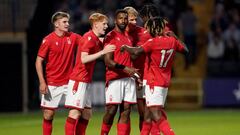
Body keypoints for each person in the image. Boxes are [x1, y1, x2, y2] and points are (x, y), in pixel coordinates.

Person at [121, 17, 188, 135]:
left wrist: (126, 47)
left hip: (153, 82)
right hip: (164, 82)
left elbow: (136, 52)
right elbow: (185, 50)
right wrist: (175, 36)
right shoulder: (172, 41)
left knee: (156, 114)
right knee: (147, 116)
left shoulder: (153, 42)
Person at [64, 13, 115, 135]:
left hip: (85, 80)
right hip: (79, 80)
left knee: (86, 114)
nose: (106, 26)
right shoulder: (89, 37)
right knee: (75, 113)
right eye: (104, 24)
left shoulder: (95, 38)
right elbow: (84, 59)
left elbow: (106, 41)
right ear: (96, 25)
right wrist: (103, 52)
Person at [35, 11, 81, 135]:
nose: (67, 24)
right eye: (64, 22)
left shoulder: (73, 37)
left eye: (68, 22)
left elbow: (88, 40)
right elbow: (38, 61)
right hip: (52, 82)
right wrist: (42, 82)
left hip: (70, 82)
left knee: (76, 111)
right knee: (48, 114)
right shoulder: (48, 40)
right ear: (56, 24)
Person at [100, 9, 140, 135]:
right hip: (115, 78)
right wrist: (126, 69)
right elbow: (108, 62)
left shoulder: (128, 37)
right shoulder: (110, 36)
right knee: (111, 110)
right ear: (115, 20)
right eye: (120, 18)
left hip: (128, 79)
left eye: (125, 18)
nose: (123, 21)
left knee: (126, 110)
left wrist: (135, 74)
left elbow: (129, 59)